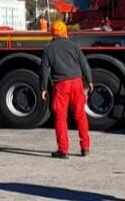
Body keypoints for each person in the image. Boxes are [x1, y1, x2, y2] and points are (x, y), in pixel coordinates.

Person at [39, 20, 93, 159]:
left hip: (61, 85)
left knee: (61, 117)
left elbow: (44, 70)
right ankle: (85, 147)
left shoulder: (48, 48)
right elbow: (84, 64)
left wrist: (43, 88)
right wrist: (90, 80)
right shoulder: (74, 45)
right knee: (80, 114)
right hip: (76, 82)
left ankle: (63, 150)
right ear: (65, 32)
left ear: (53, 33)